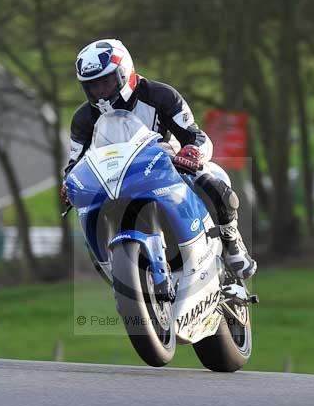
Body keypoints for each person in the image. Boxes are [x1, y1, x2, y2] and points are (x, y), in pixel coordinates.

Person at [61, 39, 256, 280]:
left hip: (166, 163)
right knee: (89, 217)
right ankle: (118, 276)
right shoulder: (82, 119)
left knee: (212, 178)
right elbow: (74, 163)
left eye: (107, 81)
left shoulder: (161, 95)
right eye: (93, 86)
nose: (101, 91)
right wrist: (68, 185)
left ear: (125, 72)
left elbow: (195, 135)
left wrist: (192, 152)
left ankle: (231, 240)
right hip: (113, 180)